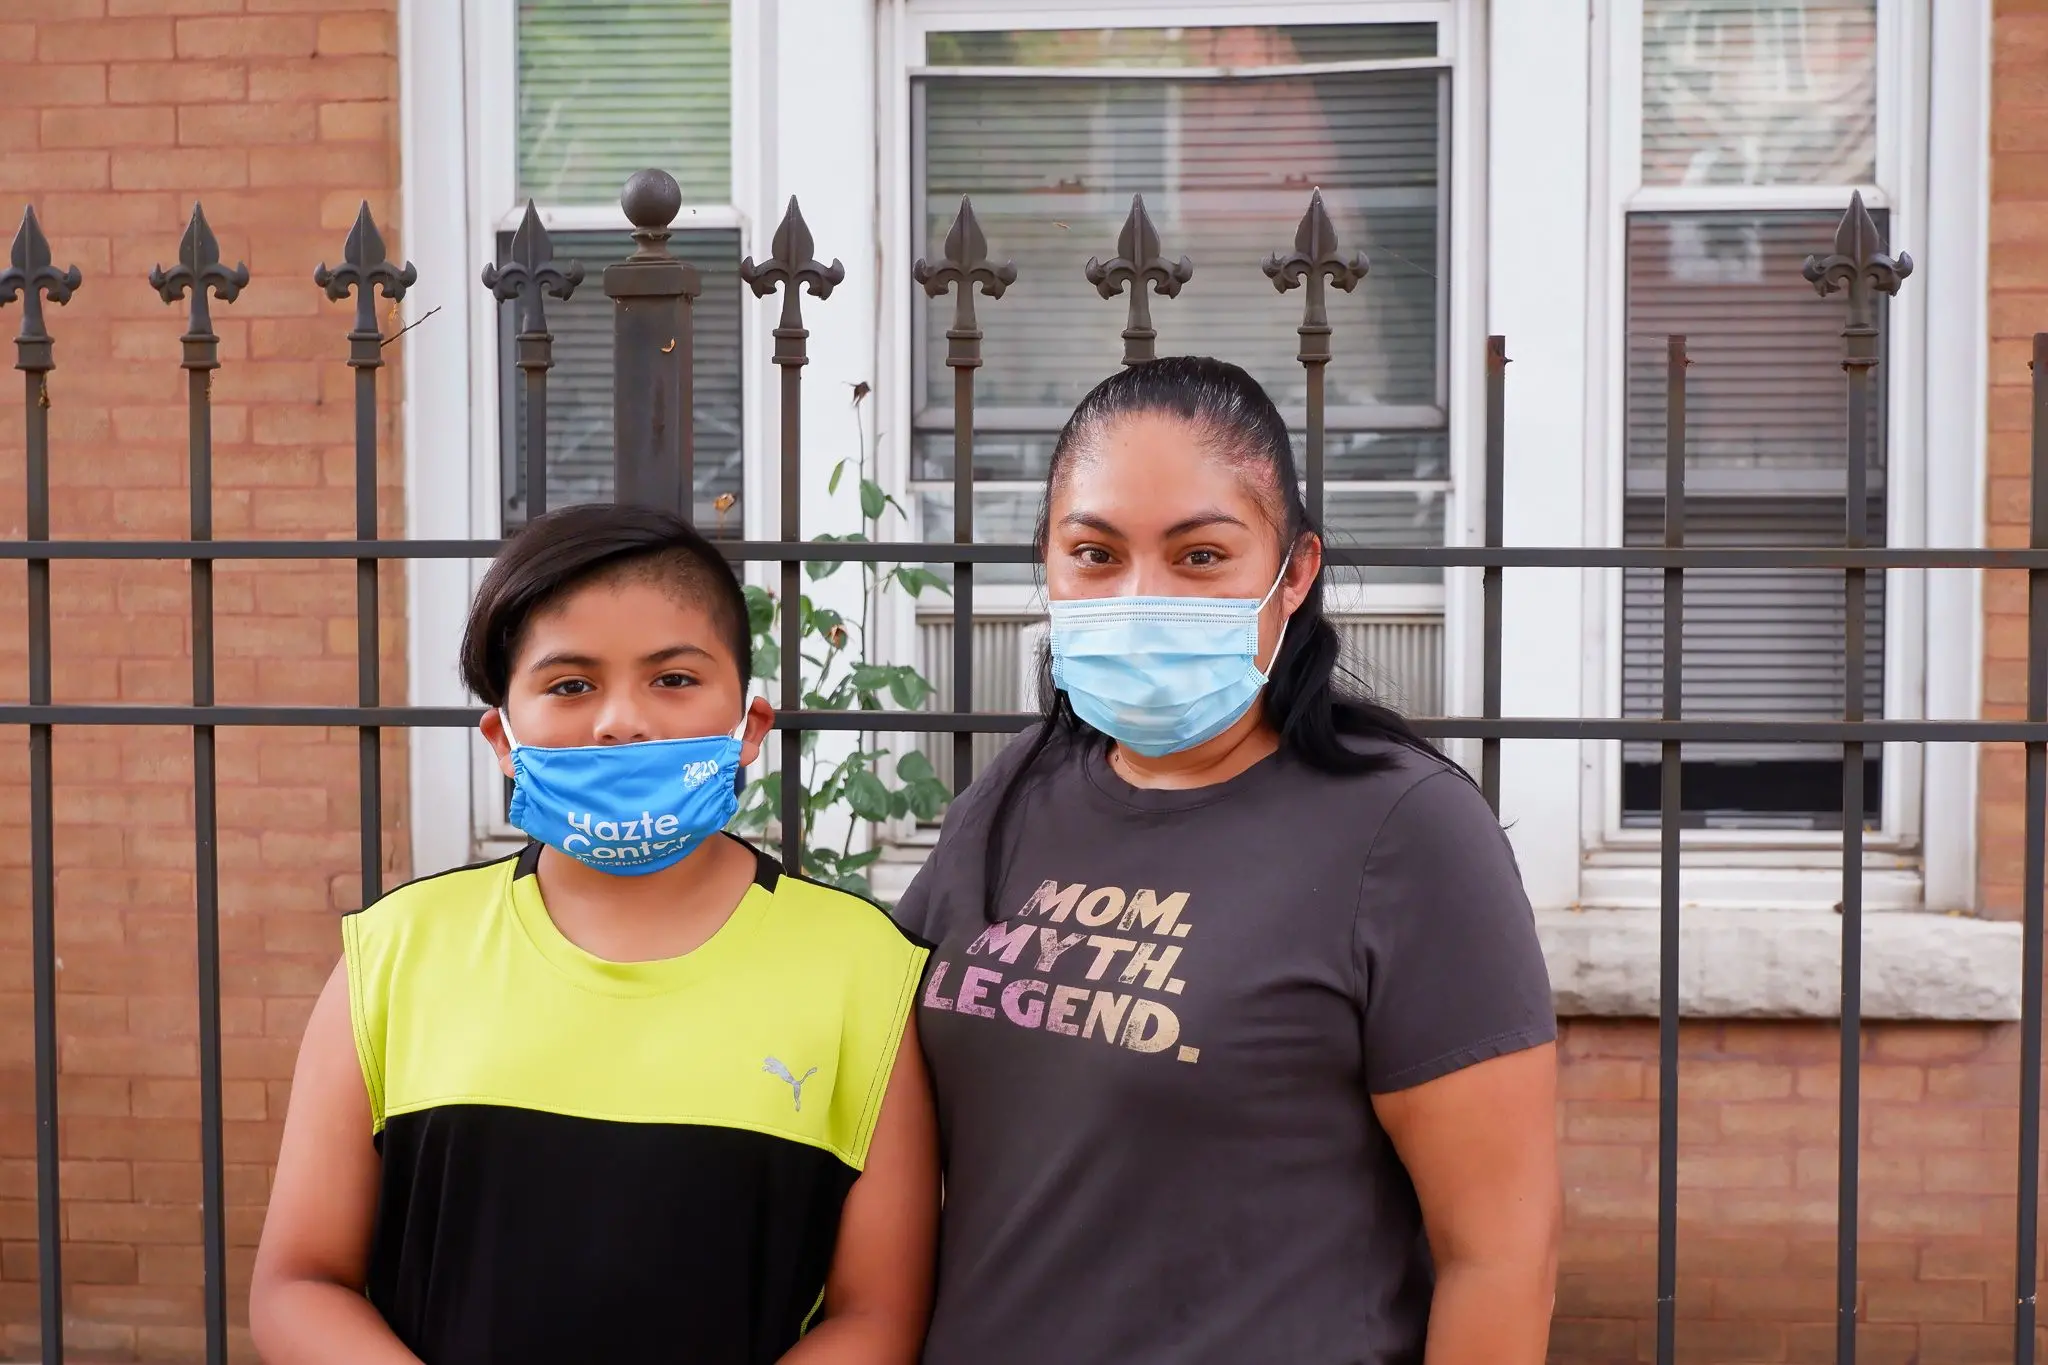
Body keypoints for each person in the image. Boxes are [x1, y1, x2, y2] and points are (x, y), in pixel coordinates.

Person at [894, 356, 1562, 1365]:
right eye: (1094, 553)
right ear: (1047, 562)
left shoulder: (1405, 831)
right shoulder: (1013, 795)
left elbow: (1502, 1256)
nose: (1139, 595)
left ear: (1291, 572)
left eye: (1199, 556)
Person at [250, 504, 938, 1365]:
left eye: (675, 679)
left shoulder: (862, 971)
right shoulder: (395, 955)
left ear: (750, 726)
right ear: (505, 738)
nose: (622, 720)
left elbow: (876, 1317)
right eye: (570, 685)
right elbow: (298, 1284)